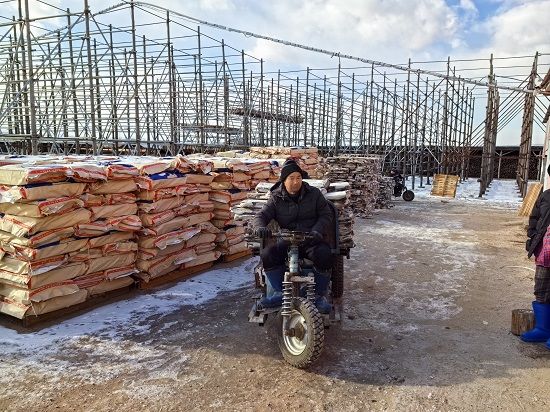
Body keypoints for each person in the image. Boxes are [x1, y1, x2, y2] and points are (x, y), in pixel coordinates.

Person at [253, 158, 334, 313]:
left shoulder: (314, 194)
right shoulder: (276, 198)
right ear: (284, 180)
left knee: (324, 254)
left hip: (310, 238)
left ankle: (318, 295)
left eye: (298, 178)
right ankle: (280, 292)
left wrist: (317, 230)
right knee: (268, 254)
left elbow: (326, 215)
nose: (296, 182)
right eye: (291, 178)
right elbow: (261, 215)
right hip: (287, 239)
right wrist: (260, 227)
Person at [523, 165, 550, 349]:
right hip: (544, 252)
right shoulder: (546, 195)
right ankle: (543, 329)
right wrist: (532, 236)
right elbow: (534, 218)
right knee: (541, 290)